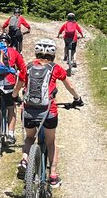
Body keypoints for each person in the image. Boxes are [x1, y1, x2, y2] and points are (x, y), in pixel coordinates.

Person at [17, 38, 81, 187]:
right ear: (53, 54)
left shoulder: (28, 67)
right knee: (51, 142)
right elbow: (69, 85)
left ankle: (25, 160)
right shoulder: (56, 68)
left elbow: (18, 86)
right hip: (48, 111)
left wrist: (15, 97)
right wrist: (77, 98)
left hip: (28, 110)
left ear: (36, 52)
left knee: (29, 138)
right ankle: (53, 175)